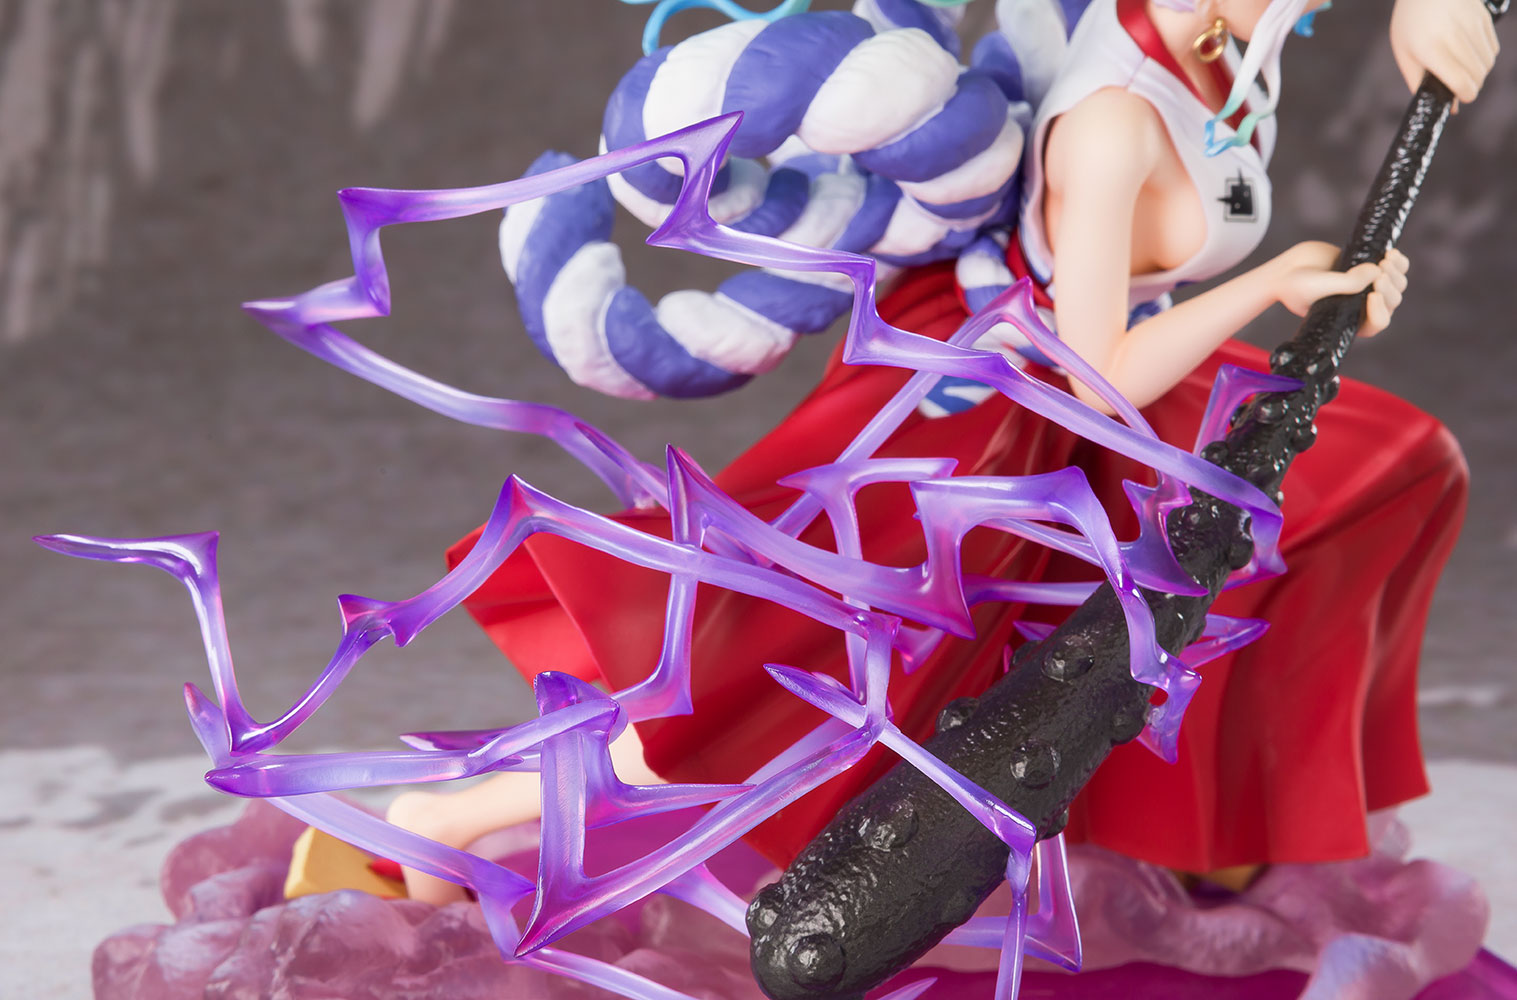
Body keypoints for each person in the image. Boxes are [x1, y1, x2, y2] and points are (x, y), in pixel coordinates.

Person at [360, 0, 1496, 910]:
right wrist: (1275, 283)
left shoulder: (1224, 42)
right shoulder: (1114, 117)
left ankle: (1200, 824)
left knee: (1375, 474)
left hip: (1113, 387)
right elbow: (1094, 369)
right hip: (1001, 399)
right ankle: (450, 818)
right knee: (791, 680)